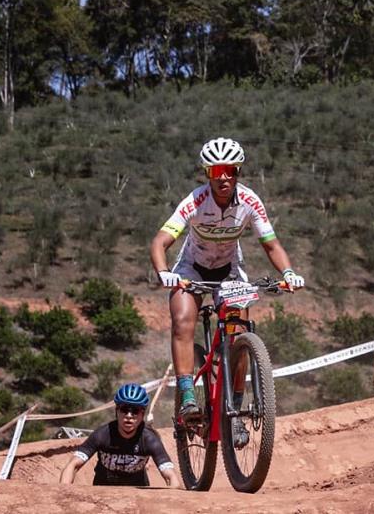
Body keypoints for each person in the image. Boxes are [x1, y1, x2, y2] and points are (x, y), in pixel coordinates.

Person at [149, 137, 305, 443]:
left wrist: (288, 273)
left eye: (230, 170)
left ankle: (234, 411)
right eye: (216, 170)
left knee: (239, 331)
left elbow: (271, 244)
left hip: (229, 270)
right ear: (208, 172)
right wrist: (164, 273)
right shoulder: (194, 201)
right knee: (182, 320)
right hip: (191, 268)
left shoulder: (250, 202)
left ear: (238, 172)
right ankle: (187, 395)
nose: (223, 176)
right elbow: (160, 242)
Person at [60, 383, 180, 488]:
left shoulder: (149, 439)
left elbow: (170, 477)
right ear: (116, 411)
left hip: (138, 498)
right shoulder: (102, 434)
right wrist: (62, 492)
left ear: (142, 414)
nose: (129, 415)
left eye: (135, 411)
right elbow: (73, 465)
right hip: (102, 495)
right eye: (124, 409)